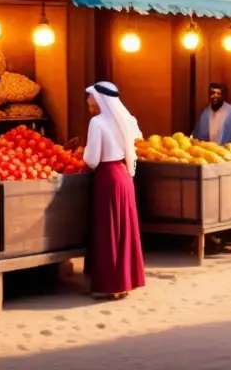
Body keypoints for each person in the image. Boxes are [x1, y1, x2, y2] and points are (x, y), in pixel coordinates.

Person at [83, 82, 145, 299]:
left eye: (90, 98)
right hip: (123, 177)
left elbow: (92, 159)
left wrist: (82, 157)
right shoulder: (126, 120)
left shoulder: (97, 123)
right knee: (123, 230)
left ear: (100, 99)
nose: (89, 102)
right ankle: (124, 283)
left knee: (108, 230)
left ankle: (111, 284)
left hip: (107, 178)